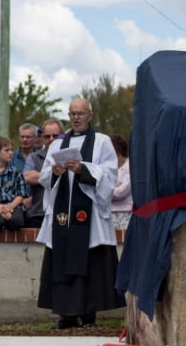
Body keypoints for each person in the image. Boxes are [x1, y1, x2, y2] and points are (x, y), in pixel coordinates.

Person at [36, 98, 122, 329]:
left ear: (90, 115)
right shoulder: (57, 145)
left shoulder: (102, 142)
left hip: (89, 214)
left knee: (90, 263)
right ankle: (66, 315)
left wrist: (84, 169)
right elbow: (43, 177)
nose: (76, 118)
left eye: (80, 113)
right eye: (72, 113)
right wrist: (54, 172)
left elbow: (110, 175)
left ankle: (88, 315)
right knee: (61, 261)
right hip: (62, 215)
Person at [23, 119, 63, 229]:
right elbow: (26, 177)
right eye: (47, 136)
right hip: (39, 213)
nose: (51, 139)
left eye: (55, 136)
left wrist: (38, 176)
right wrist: (55, 175)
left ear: (62, 136)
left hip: (63, 211)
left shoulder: (69, 155)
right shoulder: (34, 157)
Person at [109, 133, 132, 233]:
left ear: (118, 154)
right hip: (109, 213)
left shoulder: (131, 167)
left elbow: (121, 192)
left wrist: (108, 190)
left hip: (126, 213)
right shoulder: (108, 168)